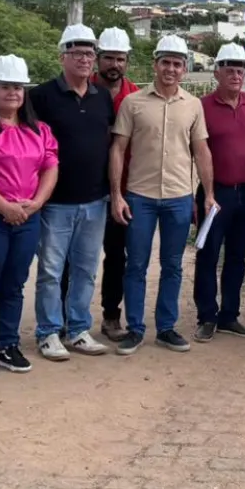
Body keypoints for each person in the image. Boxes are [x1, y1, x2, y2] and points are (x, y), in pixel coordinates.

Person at [110, 35, 214, 356]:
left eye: (177, 64)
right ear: (155, 65)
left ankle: (166, 328)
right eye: (165, 62)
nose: (171, 69)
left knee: (172, 265)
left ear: (185, 69)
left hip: (179, 197)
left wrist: (208, 194)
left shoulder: (193, 105)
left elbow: (201, 151)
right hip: (139, 196)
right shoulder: (133, 103)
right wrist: (117, 195)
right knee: (136, 265)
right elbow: (118, 149)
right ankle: (135, 328)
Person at [0, 56, 58, 378]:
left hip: (26, 217)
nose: (12, 93)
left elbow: (50, 167)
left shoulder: (39, 130)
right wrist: (2, 206)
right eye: (6, 86)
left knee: (14, 284)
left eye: (18, 87)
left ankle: (7, 344)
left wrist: (35, 204)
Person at [31, 24, 114, 361]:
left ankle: (78, 329)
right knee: (51, 271)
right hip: (55, 202)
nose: (84, 58)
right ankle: (48, 332)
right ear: (62, 56)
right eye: (77, 52)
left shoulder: (102, 96)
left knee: (85, 269)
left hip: (95, 200)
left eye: (89, 53)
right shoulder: (41, 96)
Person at [195, 43, 245, 343]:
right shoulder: (202, 106)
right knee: (208, 254)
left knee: (237, 256)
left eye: (240, 70)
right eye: (230, 70)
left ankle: (229, 316)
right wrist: (206, 193)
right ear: (216, 73)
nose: (236, 75)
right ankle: (207, 316)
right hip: (215, 194)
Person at [93, 27, 140, 342]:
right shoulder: (84, 90)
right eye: (108, 57)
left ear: (127, 61)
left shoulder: (135, 96)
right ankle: (69, 318)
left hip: (123, 191)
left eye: (120, 59)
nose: (114, 64)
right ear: (98, 58)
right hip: (82, 189)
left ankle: (111, 316)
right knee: (73, 259)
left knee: (116, 255)